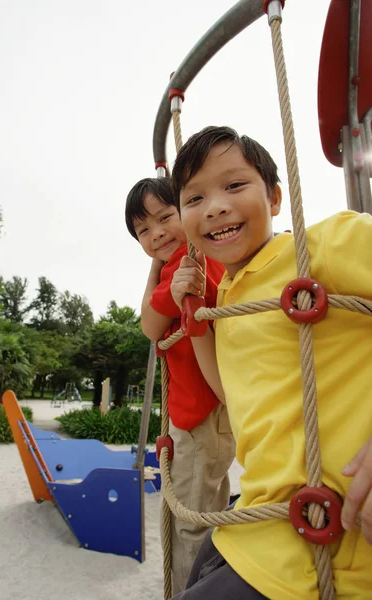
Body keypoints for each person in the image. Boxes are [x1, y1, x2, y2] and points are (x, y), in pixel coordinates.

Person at [169, 125, 372, 599]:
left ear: (277, 197)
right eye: (195, 198)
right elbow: (231, 394)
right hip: (256, 523)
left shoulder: (322, 246)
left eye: (235, 185)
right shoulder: (233, 297)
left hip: (326, 546)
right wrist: (198, 314)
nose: (216, 205)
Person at [125, 176, 236, 595]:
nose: (156, 234)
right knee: (204, 512)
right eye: (143, 231)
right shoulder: (195, 261)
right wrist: (157, 268)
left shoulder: (188, 268)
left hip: (197, 417)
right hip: (210, 414)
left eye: (165, 217)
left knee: (190, 524)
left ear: (185, 211)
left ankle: (192, 592)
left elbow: (149, 327)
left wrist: (161, 273)